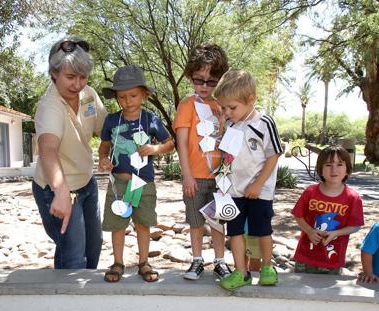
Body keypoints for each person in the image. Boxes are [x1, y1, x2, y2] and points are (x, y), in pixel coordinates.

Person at [32, 36, 108, 269]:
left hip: (87, 182)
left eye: (83, 77)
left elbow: (106, 130)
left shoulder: (89, 95)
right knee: (73, 257)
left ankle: (85, 304)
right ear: (54, 73)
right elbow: (48, 150)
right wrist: (61, 192)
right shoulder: (50, 106)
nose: (77, 84)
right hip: (57, 188)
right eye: (70, 77)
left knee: (94, 248)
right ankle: (66, 304)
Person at [97, 65, 174, 283]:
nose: (128, 100)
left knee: (143, 223)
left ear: (144, 95)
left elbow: (170, 144)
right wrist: (103, 158)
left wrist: (155, 149)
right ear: (117, 97)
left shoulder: (151, 120)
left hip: (143, 183)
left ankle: (144, 262)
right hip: (118, 183)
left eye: (133, 95)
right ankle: (118, 262)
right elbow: (104, 145)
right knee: (117, 224)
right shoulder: (112, 120)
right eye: (122, 97)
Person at [213, 70, 284, 290]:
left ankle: (267, 268)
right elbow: (227, 158)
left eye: (232, 108)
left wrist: (258, 184)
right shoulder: (232, 126)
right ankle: (241, 272)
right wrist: (222, 182)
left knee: (262, 230)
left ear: (251, 99)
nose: (227, 112)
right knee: (234, 231)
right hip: (234, 191)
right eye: (224, 108)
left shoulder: (264, 123)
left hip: (259, 192)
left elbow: (274, 154)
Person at [173, 44, 231, 281]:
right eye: (199, 80)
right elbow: (182, 141)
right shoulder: (187, 105)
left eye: (211, 81)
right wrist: (186, 174)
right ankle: (197, 260)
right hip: (195, 177)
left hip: (219, 177)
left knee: (218, 221)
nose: (204, 86)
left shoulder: (221, 106)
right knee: (196, 222)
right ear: (190, 76)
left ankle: (219, 261)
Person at [291, 146, 363, 274]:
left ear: (347, 169)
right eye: (328, 165)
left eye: (340, 164)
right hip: (306, 254)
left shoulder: (352, 197)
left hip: (333, 257)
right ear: (320, 169)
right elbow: (298, 215)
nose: (334, 169)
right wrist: (310, 231)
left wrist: (336, 233)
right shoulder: (310, 192)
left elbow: (355, 226)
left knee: (328, 293)